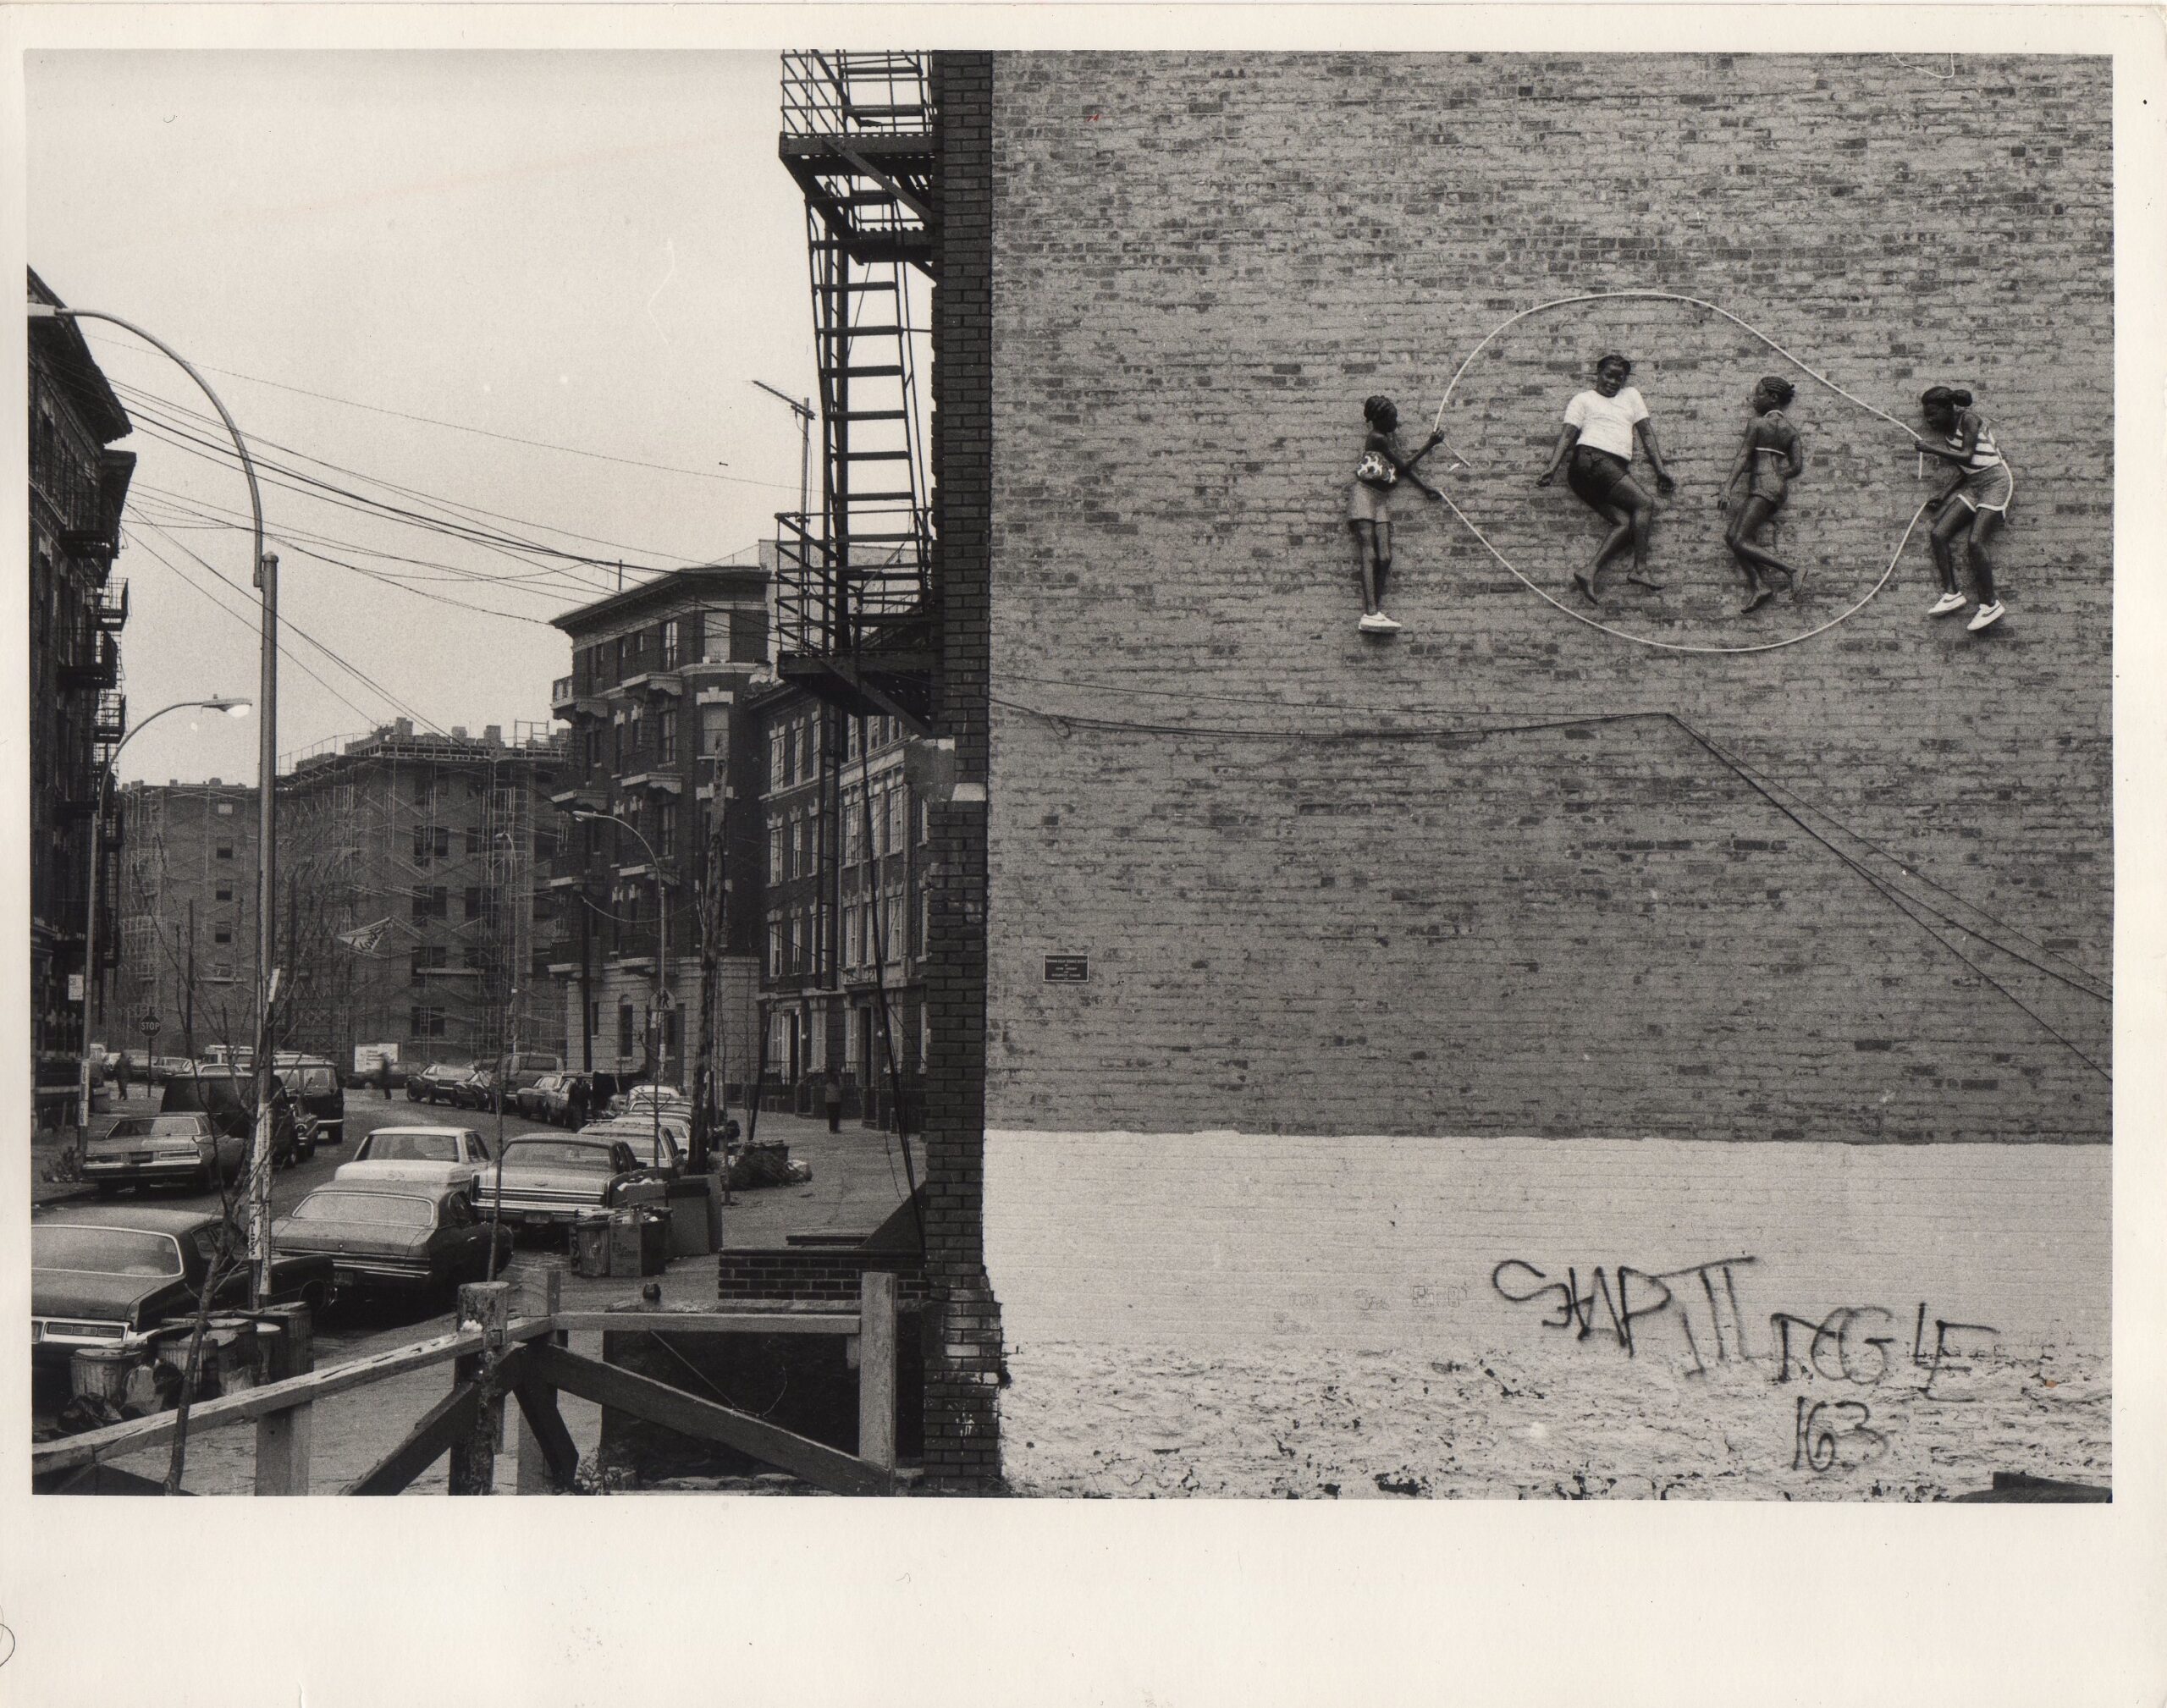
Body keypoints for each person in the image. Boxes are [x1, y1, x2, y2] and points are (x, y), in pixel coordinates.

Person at [1536, 353, 1678, 606]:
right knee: (1645, 504)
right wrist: (1551, 467)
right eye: (1608, 376)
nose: (1613, 382)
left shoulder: (1631, 396)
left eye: (1619, 378)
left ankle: (1588, 571)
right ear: (1598, 374)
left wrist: (1660, 470)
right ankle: (1640, 569)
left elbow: (1646, 432)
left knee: (1624, 524)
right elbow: (1568, 434)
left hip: (1599, 471)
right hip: (1592, 459)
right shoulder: (1583, 399)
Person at [1909, 385, 2010, 632]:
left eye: (1932, 414)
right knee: (1939, 533)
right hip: (1975, 485)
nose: (1929, 420)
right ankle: (1952, 593)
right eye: (1926, 416)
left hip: (1996, 482)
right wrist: (1943, 496)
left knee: (1975, 542)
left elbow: (1966, 455)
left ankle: (1990, 604)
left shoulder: (1969, 419)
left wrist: (1931, 449)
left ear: (1947, 408)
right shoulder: (1948, 434)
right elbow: (1964, 469)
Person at [1347, 394, 1447, 635]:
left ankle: (1374, 611)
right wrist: (1429, 444)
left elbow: (1399, 470)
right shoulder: (1377, 438)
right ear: (1381, 420)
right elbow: (1403, 466)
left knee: (1386, 557)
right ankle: (1370, 612)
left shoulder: (1386, 438)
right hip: (1364, 495)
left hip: (1380, 499)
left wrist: (1425, 489)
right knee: (1369, 552)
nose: (1396, 423)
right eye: (1393, 419)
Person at [1718, 375, 1808, 613]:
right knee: (1732, 537)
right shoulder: (1791, 430)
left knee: (1738, 539)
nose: (1754, 399)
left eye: (1758, 394)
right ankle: (1759, 586)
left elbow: (1743, 456)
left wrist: (1727, 486)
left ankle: (1791, 570)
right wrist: (1779, 476)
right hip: (1777, 488)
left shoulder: (1757, 424)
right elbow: (1797, 466)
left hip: (1761, 486)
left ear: (1773, 397)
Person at [824, 1069, 843, 1134]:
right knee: (836, 1114)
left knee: (830, 1115)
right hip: (836, 1099)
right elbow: (841, 1087)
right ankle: (835, 1128)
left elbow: (824, 1087)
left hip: (828, 1099)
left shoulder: (826, 1080)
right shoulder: (838, 1079)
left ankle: (831, 1129)